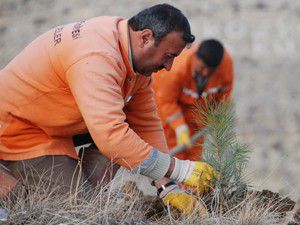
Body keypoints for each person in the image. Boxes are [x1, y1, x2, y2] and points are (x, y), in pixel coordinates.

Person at [0, 4, 217, 215]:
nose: (169, 67)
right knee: (75, 208)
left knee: (88, 196)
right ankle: (8, 183)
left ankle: (76, 188)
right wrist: (181, 169)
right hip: (17, 130)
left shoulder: (132, 59)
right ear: (145, 38)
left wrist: (168, 186)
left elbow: (145, 123)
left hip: (50, 125)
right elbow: (110, 135)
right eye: (168, 56)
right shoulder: (98, 56)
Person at [153, 39, 234, 161]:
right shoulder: (175, 68)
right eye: (202, 68)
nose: (205, 73)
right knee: (174, 159)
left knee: (194, 160)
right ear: (195, 57)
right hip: (170, 116)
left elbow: (225, 93)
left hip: (198, 119)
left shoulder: (225, 66)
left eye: (210, 70)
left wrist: (219, 114)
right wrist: (180, 128)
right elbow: (166, 101)